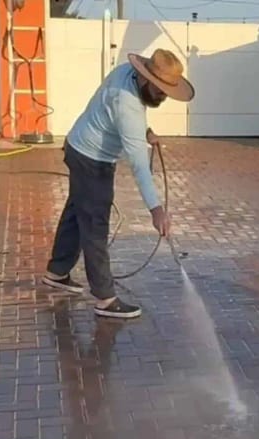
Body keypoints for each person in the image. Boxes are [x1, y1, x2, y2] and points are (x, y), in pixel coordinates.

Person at [41, 49, 195, 319]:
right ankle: (105, 297)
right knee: (95, 225)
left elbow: (117, 114)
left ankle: (57, 271)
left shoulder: (126, 74)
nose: (162, 97)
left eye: (165, 92)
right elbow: (138, 164)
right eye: (159, 90)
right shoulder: (128, 106)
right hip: (92, 159)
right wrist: (156, 209)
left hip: (78, 145)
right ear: (146, 79)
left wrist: (145, 132)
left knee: (77, 212)